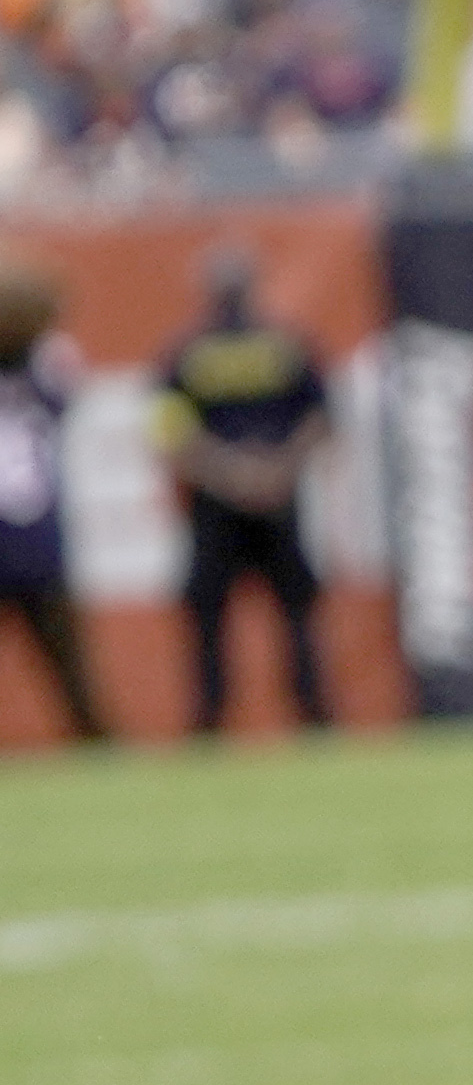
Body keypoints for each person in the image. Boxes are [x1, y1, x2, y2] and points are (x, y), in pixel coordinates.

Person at [155, 244, 327, 733]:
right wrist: (275, 470)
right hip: (270, 499)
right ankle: (311, 716)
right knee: (290, 615)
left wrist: (229, 473)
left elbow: (168, 430)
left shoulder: (187, 352)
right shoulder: (284, 343)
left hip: (219, 503)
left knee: (221, 619)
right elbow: (319, 417)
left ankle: (214, 721)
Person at [0, 265, 96, 740]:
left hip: (26, 544)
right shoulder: (43, 379)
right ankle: (100, 753)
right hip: (38, 545)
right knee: (73, 679)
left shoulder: (39, 375)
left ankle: (97, 742)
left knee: (74, 675)